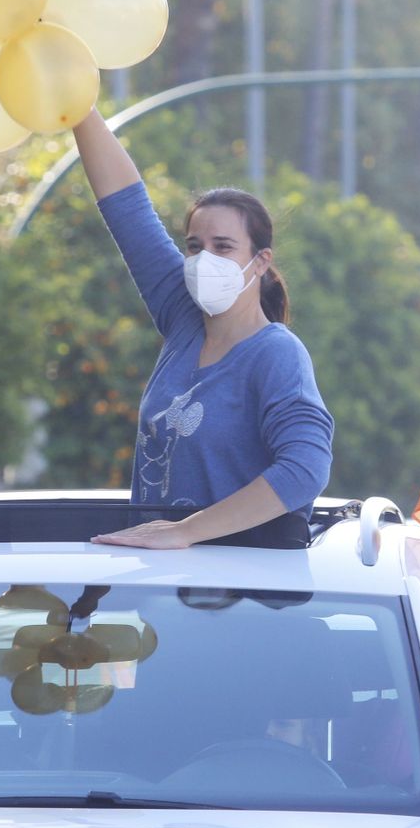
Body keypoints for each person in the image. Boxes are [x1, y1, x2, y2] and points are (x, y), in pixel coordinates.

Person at [72, 108, 333, 549]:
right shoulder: (183, 316)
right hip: (159, 588)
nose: (204, 259)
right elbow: (127, 210)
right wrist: (76, 106)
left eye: (223, 247)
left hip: (238, 594)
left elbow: (306, 469)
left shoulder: (276, 354)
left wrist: (187, 532)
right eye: (195, 247)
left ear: (261, 261)